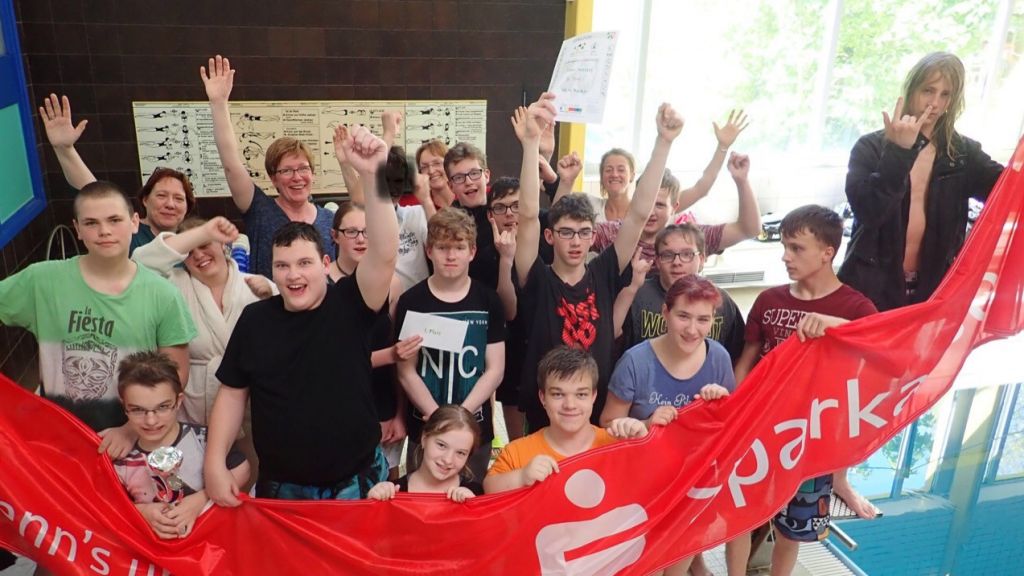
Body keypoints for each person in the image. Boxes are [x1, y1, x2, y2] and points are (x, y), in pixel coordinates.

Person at [204, 125, 397, 503]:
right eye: (283, 266)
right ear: (271, 269)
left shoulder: (352, 304)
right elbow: (231, 393)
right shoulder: (256, 320)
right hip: (284, 486)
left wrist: (374, 174)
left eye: (304, 263)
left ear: (325, 263)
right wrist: (214, 462)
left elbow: (385, 253)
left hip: (358, 480)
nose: (294, 275)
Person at [513, 93, 683, 429]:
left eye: (583, 232)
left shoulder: (604, 271)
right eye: (565, 233)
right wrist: (531, 144)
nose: (575, 242)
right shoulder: (537, 278)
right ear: (550, 237)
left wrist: (663, 142)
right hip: (547, 413)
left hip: (598, 408)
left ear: (594, 235)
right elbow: (529, 216)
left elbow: (638, 213)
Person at [734, 205, 879, 576]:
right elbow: (746, 365)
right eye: (784, 246)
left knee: (791, 531)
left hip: (811, 442)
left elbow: (881, 358)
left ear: (827, 252)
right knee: (737, 516)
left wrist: (837, 327)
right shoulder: (770, 301)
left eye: (796, 248)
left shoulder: (856, 308)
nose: (785, 257)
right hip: (762, 433)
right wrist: (731, 417)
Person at [0, 181, 195, 448]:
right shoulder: (41, 280)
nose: (104, 231)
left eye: (114, 220)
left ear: (135, 222)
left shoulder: (163, 295)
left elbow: (177, 372)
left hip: (134, 440)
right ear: (77, 229)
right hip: (56, 437)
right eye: (91, 223)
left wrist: (130, 431)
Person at [839, 52, 1004, 311]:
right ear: (912, 88)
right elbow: (869, 212)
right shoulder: (870, 147)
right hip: (870, 287)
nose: (935, 103)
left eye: (945, 94)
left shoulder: (962, 154)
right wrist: (899, 152)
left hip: (936, 289)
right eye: (928, 90)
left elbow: (1008, 193)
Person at [600, 275, 735, 576]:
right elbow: (607, 425)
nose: (691, 329)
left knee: (676, 565)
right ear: (665, 313)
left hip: (692, 487)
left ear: (713, 321)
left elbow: (730, 432)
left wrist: (722, 405)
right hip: (642, 488)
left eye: (703, 320)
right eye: (683, 316)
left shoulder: (719, 360)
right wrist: (646, 424)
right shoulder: (635, 362)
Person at [395, 208, 506, 481]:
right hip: (425, 427)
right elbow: (406, 370)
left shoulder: (488, 301)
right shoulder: (412, 301)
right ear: (429, 250)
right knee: (422, 503)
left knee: (469, 502)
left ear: (472, 251)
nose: (451, 255)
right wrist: (436, 418)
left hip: (475, 426)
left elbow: (495, 369)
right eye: (443, 247)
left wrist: (462, 417)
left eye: (459, 247)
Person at [201, 55, 336, 278]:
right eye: (286, 171)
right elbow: (232, 165)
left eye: (303, 168)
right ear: (273, 178)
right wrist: (218, 103)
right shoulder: (260, 210)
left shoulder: (329, 221)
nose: (297, 177)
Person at [131, 216, 274, 426]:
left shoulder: (256, 286)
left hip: (249, 407)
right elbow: (141, 263)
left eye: (205, 245)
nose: (198, 255)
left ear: (223, 243)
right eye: (189, 251)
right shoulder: (174, 285)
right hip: (192, 411)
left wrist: (273, 296)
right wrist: (203, 233)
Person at [112, 351, 249, 539]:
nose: (151, 420)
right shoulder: (121, 460)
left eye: (162, 407)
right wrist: (141, 511)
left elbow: (243, 470)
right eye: (137, 410)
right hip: (154, 556)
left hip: (210, 546)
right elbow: (111, 507)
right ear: (124, 405)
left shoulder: (204, 439)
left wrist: (201, 499)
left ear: (178, 402)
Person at [39, 94, 197, 255]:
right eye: (162, 195)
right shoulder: (129, 231)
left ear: (187, 207)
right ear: (145, 199)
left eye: (179, 199)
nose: (170, 204)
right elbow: (91, 189)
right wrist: (65, 149)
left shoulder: (194, 243)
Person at [328, 200, 419, 477]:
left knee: (384, 487)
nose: (361, 239)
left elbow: (400, 356)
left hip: (382, 400)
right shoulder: (319, 282)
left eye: (368, 232)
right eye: (352, 232)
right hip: (337, 403)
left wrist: (400, 414)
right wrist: (391, 354)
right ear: (335, 236)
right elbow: (327, 358)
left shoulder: (393, 284)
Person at [484, 347, 649, 494]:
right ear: (543, 398)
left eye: (581, 394)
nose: (570, 405)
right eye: (558, 394)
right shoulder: (518, 452)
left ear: (593, 396)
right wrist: (520, 477)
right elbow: (488, 489)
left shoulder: (618, 443)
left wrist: (643, 445)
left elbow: (654, 486)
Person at [622, 224, 746, 362]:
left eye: (687, 254)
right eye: (668, 255)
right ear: (657, 261)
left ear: (702, 259)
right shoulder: (637, 296)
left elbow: (738, 356)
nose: (677, 262)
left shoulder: (722, 302)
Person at [337, 125, 433, 291]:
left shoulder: (416, 214)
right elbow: (358, 199)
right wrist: (345, 164)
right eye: (386, 181)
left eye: (398, 181)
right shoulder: (365, 220)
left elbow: (443, 240)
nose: (394, 189)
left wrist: (426, 200)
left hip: (414, 304)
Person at [367, 405, 483, 503]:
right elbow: (369, 527)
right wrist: (373, 501)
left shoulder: (474, 493)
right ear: (424, 439)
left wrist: (474, 509)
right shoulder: (393, 492)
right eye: (441, 445)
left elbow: (487, 528)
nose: (448, 460)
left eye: (461, 453)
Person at [416, 139, 456, 209]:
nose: (431, 171)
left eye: (437, 163)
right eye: (424, 167)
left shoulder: (465, 197)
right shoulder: (416, 205)